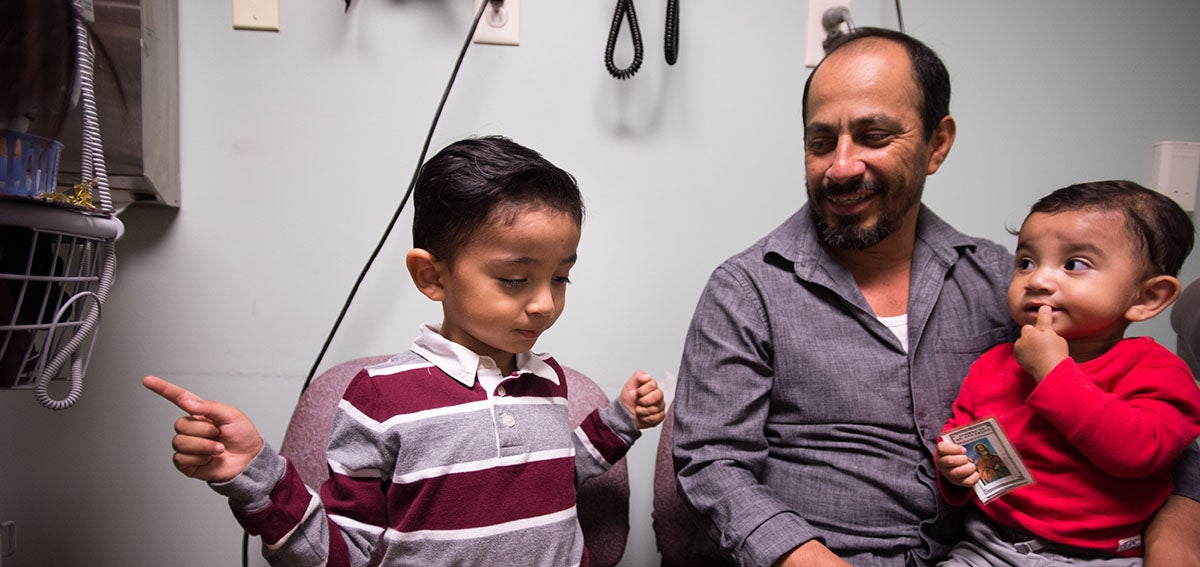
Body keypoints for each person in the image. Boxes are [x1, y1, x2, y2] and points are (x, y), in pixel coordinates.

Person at [670, 27, 1200, 567]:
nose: (842, 166)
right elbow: (712, 462)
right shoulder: (747, 289)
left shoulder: (1003, 280)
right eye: (821, 141)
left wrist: (1178, 529)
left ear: (937, 144)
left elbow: (1155, 422)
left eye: (874, 135)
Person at [143, 135, 666, 566]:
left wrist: (621, 420)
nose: (544, 304)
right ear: (431, 276)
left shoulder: (548, 380)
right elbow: (339, 552)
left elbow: (553, 474)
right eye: (514, 280)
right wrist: (256, 476)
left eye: (561, 278)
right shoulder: (380, 398)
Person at [936, 180, 1200, 564]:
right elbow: (959, 435)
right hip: (989, 545)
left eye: (1074, 264)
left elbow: (1139, 453)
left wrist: (1053, 371)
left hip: (1101, 555)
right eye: (1025, 262)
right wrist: (952, 469)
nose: (1038, 280)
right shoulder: (993, 363)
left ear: (1147, 297)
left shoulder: (1158, 371)